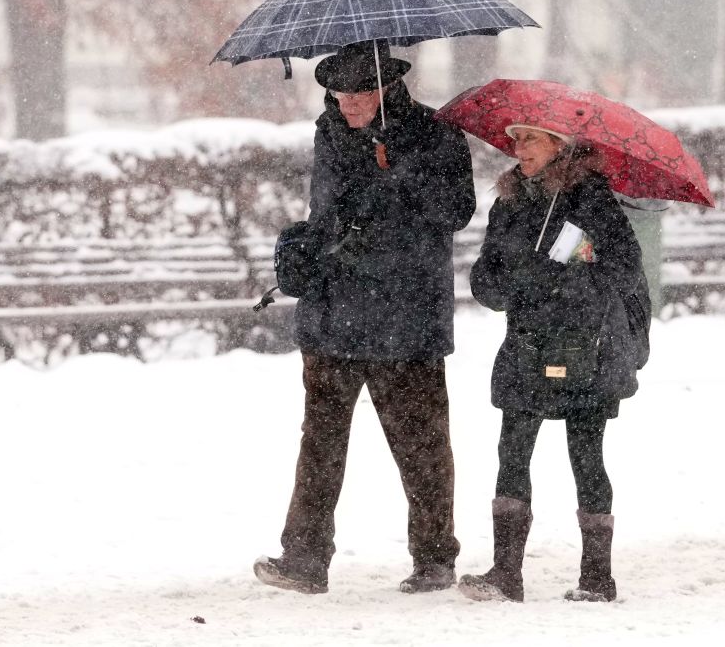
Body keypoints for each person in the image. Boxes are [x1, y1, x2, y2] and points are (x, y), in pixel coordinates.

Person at [254, 41, 475, 595]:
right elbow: (328, 214)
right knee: (320, 441)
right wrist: (304, 250)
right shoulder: (329, 131)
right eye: (338, 93)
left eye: (359, 93)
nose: (347, 103)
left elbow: (455, 211)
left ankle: (434, 559)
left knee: (420, 443)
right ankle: (304, 559)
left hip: (406, 315)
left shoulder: (436, 133)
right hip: (333, 313)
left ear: (387, 86)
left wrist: (399, 164)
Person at [459, 125, 651, 604]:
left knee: (586, 455)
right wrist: (504, 285)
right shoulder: (509, 202)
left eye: (531, 139)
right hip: (528, 344)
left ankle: (597, 578)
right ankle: (506, 573)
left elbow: (625, 270)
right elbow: (487, 274)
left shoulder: (593, 200)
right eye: (516, 139)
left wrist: (562, 281)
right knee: (512, 451)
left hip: (584, 348)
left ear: (559, 145)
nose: (518, 148)